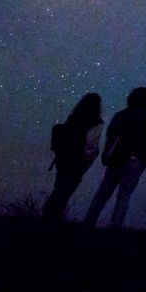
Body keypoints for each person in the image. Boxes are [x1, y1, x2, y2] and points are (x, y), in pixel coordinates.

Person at [83, 86, 146, 228]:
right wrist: (144, 161)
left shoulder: (121, 115)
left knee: (103, 193)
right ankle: (115, 226)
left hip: (117, 159)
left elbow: (111, 136)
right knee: (124, 195)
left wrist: (106, 154)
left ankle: (89, 222)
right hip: (135, 160)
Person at [42, 93, 103, 221]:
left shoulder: (73, 117)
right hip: (77, 161)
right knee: (66, 191)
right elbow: (91, 144)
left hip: (63, 158)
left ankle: (47, 217)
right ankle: (54, 219)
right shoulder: (96, 122)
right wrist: (89, 160)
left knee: (59, 188)